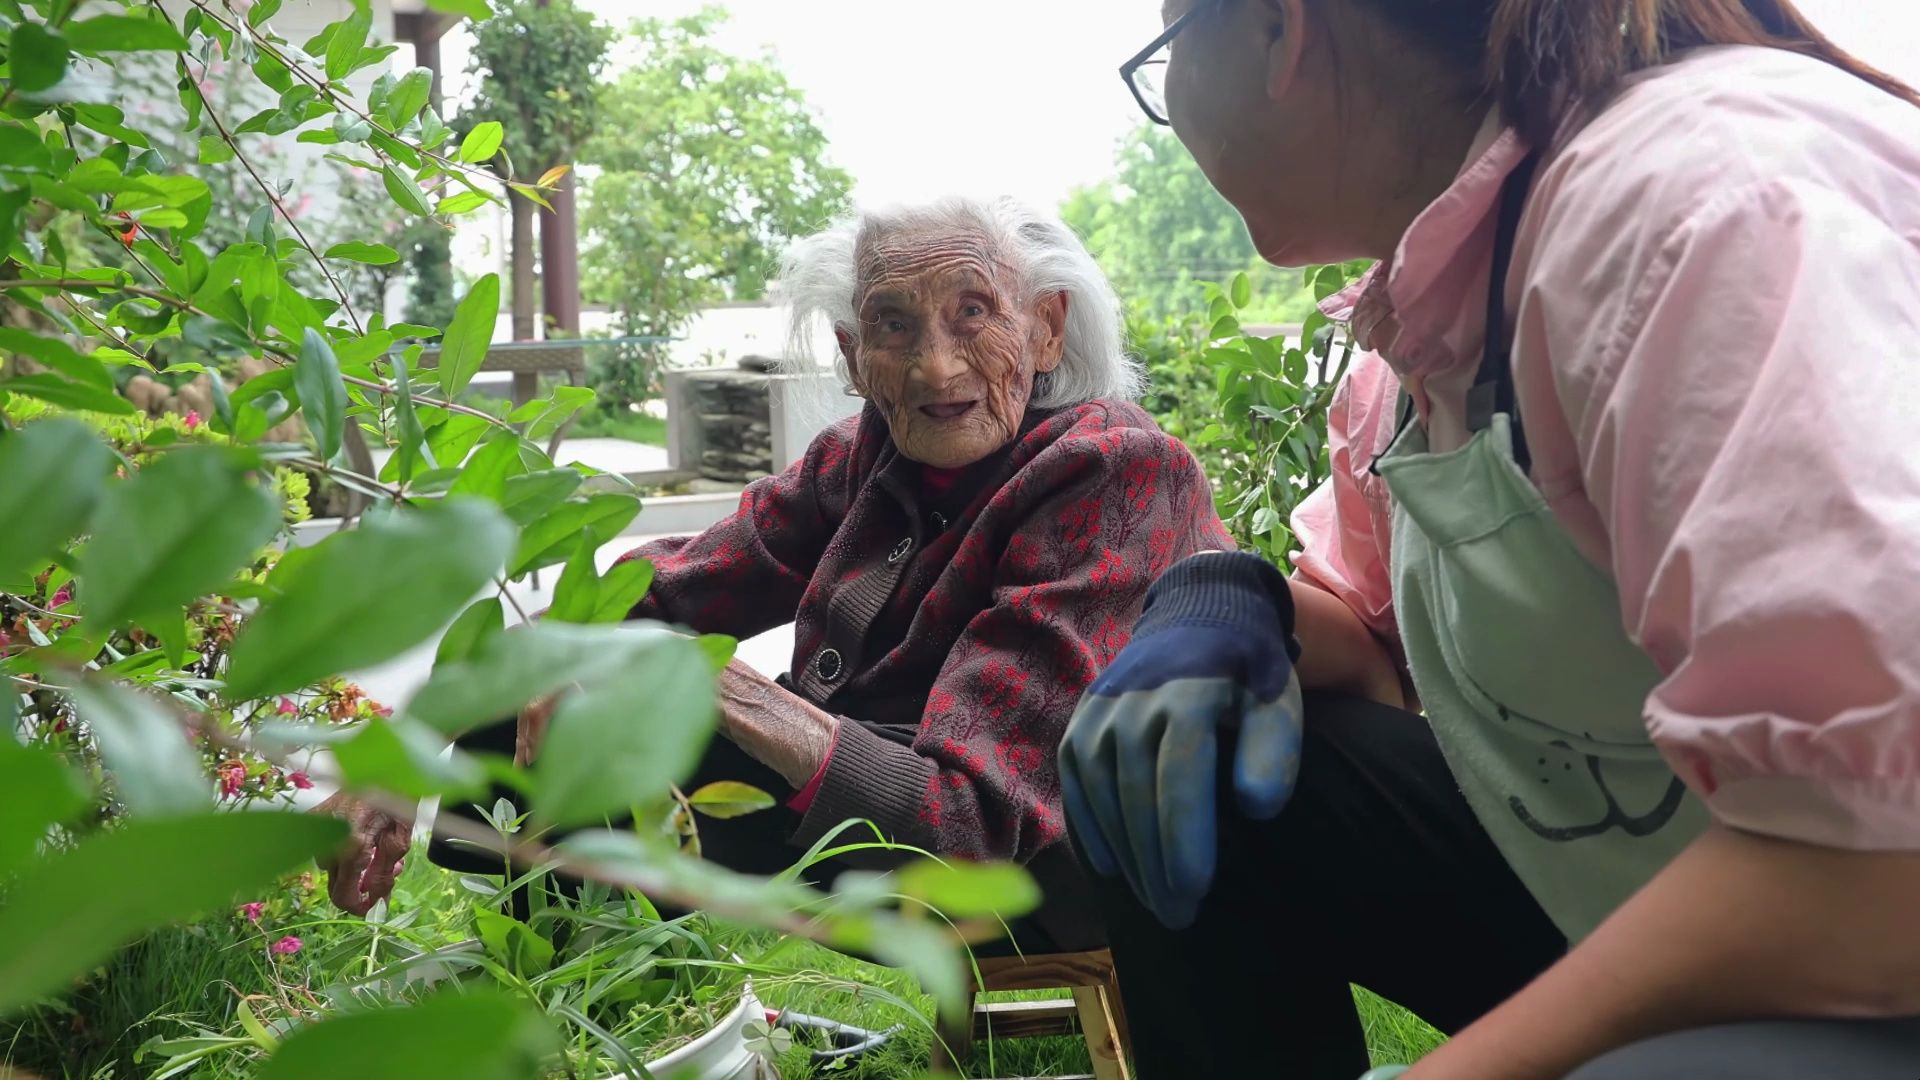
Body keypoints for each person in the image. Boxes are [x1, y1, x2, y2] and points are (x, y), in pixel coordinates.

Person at [1058, 1, 1920, 1077]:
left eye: (1166, 51)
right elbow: (1371, 646)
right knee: (1214, 762)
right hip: (1685, 905)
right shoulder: (1419, 343)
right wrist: (1228, 601)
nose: (1169, 108)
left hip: (1870, 938)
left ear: (1280, 29)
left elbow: (1885, 848)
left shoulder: (1690, 206)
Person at [324, 196, 1233, 956]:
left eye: (973, 311)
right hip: (876, 812)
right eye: (892, 323)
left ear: (1045, 327)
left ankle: (600, 997)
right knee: (541, 684)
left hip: (1042, 873)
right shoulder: (863, 457)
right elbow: (648, 592)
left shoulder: (1110, 470)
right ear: (850, 351)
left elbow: (972, 825)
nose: (935, 364)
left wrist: (710, 685)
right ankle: (584, 991)